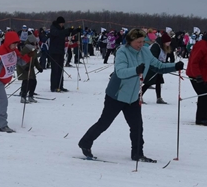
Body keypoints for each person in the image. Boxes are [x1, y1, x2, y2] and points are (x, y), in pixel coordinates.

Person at [78, 28, 184, 162]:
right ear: (130, 41)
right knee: (104, 123)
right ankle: (85, 143)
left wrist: (175, 66)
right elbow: (120, 72)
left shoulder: (146, 51)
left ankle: (137, 153)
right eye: (138, 42)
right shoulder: (122, 52)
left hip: (133, 97)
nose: (141, 44)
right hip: (116, 95)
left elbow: (158, 66)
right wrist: (135, 70)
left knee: (137, 126)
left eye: (142, 41)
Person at [142, 32, 172, 104]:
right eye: (168, 42)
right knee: (149, 82)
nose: (169, 44)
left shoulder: (163, 47)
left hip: (159, 67)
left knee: (158, 82)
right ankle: (138, 96)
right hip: (152, 67)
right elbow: (153, 58)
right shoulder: (156, 46)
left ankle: (159, 98)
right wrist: (161, 64)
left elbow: (163, 58)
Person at [48, 16, 75, 92]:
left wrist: (75, 31)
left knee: (60, 69)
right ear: (59, 23)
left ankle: (60, 85)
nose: (62, 25)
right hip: (54, 52)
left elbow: (66, 33)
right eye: (62, 23)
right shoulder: (53, 28)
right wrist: (67, 30)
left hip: (60, 51)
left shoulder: (62, 29)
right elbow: (58, 33)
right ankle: (53, 87)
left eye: (63, 23)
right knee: (55, 70)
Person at [17, 34, 43, 103]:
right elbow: (20, 59)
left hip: (30, 68)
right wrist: (25, 67)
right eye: (34, 41)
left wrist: (39, 67)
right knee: (26, 82)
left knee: (33, 82)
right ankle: (23, 97)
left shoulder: (33, 48)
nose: (36, 42)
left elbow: (35, 60)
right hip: (24, 68)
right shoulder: (26, 48)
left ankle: (30, 96)